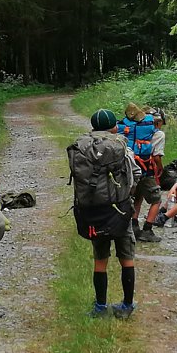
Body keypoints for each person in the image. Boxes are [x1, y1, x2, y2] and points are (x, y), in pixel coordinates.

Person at [70, 108, 138, 317]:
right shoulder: (120, 146)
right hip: (119, 210)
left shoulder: (82, 147)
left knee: (100, 259)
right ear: (113, 126)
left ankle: (100, 306)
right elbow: (135, 173)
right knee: (126, 258)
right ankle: (126, 305)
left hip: (93, 211)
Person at [118, 104, 165, 241]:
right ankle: (147, 230)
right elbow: (156, 156)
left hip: (130, 167)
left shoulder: (129, 130)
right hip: (145, 169)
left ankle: (134, 226)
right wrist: (160, 168)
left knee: (137, 196)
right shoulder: (158, 134)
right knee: (156, 199)